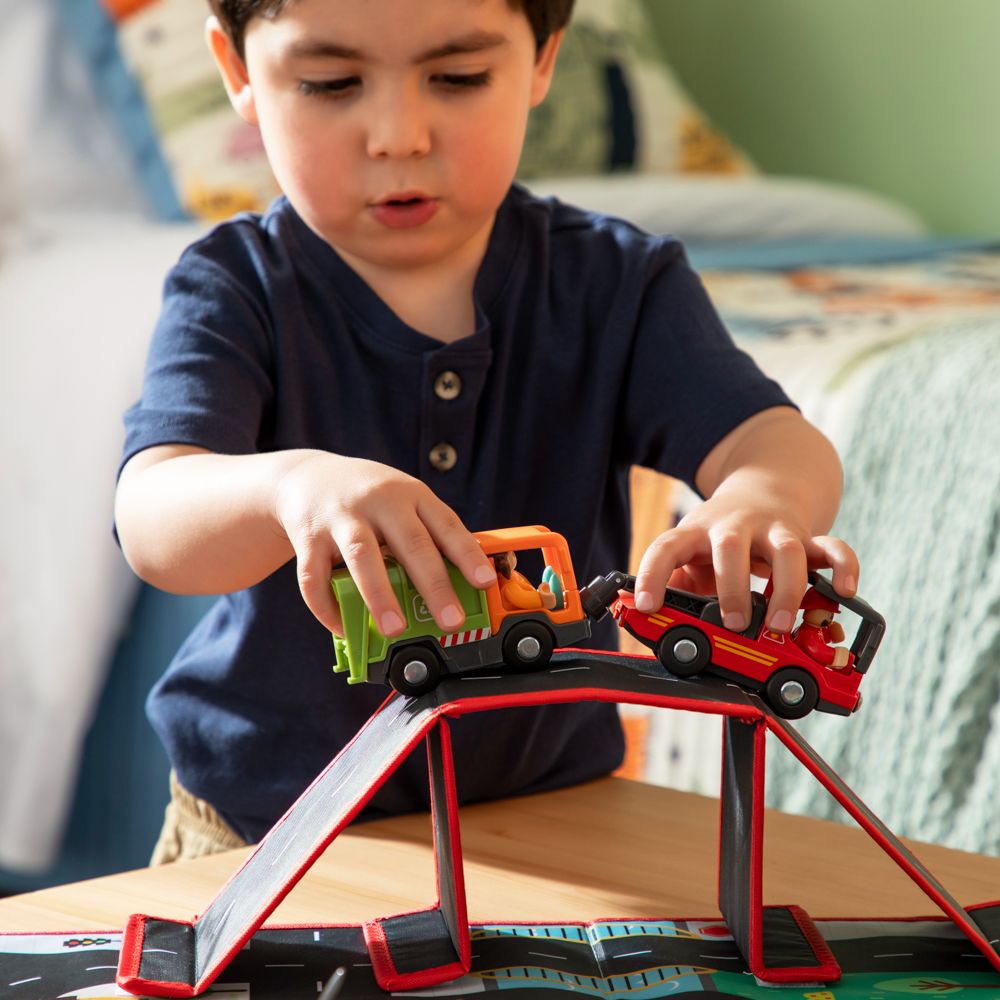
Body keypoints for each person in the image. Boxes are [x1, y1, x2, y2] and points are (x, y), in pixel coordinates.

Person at [114, 0, 859, 863]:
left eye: (458, 77)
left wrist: (762, 499)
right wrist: (289, 487)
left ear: (543, 60)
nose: (398, 135)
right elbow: (155, 515)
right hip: (260, 828)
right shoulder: (234, 287)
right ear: (240, 73)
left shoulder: (619, 284)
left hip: (550, 823)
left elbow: (772, 437)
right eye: (330, 83)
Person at [791, 587, 852, 669]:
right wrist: (836, 655)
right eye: (825, 613)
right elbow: (817, 650)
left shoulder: (811, 629)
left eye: (831, 615)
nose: (829, 618)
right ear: (808, 610)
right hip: (803, 664)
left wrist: (833, 633)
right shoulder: (809, 634)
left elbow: (825, 638)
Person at [493, 551, 557, 611]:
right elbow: (522, 598)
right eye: (512, 554)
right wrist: (542, 599)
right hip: (521, 614)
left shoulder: (511, 575)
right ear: (506, 561)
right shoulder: (509, 586)